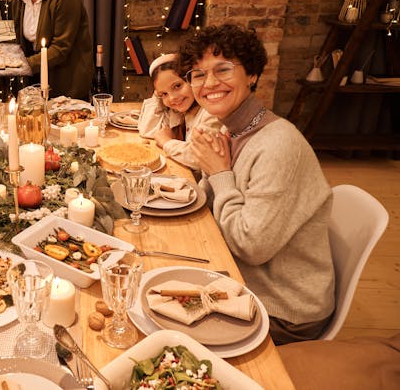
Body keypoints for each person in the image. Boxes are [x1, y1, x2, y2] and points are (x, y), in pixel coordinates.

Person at [181, 24, 335, 344]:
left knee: (161, 330)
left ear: (251, 74)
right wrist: (211, 174)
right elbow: (210, 210)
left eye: (223, 69)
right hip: (238, 278)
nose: (209, 83)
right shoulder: (233, 130)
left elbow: (251, 247)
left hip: (283, 308)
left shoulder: (277, 145)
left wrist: (219, 174)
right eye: (197, 74)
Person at [138, 53, 222, 171]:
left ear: (193, 79)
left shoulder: (211, 112)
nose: (172, 98)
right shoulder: (178, 111)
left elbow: (199, 157)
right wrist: (157, 96)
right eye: (164, 94)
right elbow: (148, 130)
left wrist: (167, 142)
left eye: (177, 86)